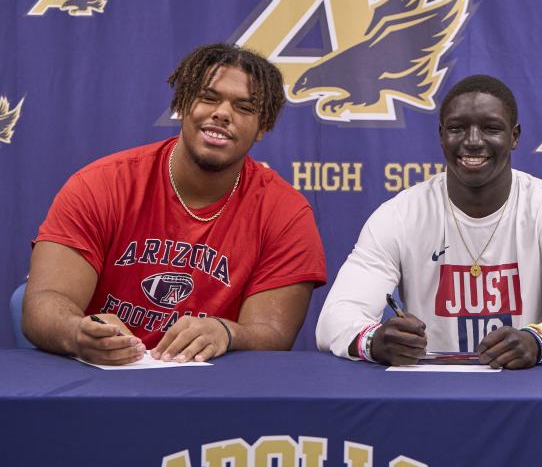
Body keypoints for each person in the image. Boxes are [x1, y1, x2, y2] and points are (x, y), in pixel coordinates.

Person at [23, 43, 327, 365]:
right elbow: (43, 303)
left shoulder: (286, 213)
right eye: (209, 98)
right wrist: (77, 332)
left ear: (263, 127)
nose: (223, 113)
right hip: (103, 380)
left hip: (213, 392)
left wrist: (227, 332)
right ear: (182, 104)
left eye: (244, 108)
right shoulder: (101, 185)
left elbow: (273, 331)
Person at [316, 74, 542, 368]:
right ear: (441, 135)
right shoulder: (400, 215)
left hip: (527, 390)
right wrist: (374, 341)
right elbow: (334, 319)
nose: (473, 141)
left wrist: (537, 341)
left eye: (491, 128)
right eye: (457, 128)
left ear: (515, 136)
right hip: (430, 390)